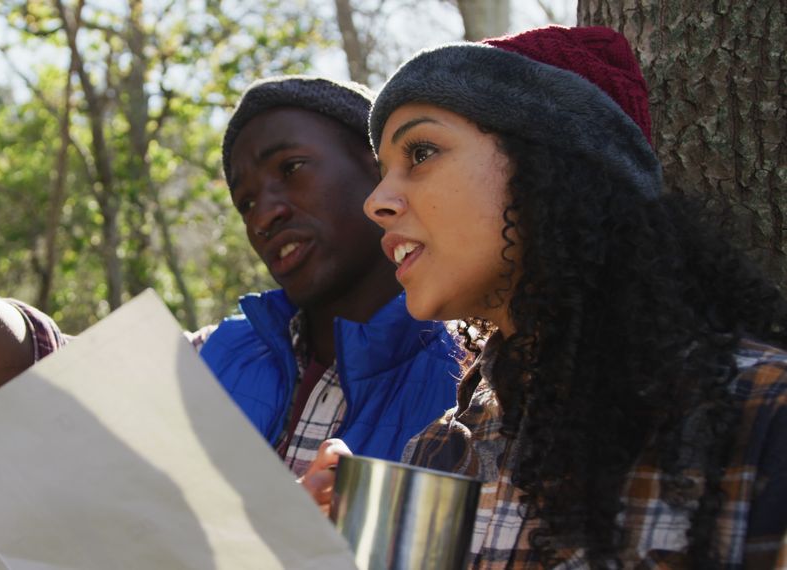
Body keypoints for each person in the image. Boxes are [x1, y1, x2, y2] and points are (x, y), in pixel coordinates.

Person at [0, 76, 460, 475]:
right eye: (244, 199)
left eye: (289, 170)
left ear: (379, 170)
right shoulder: (222, 358)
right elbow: (39, 377)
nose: (264, 212)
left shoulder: (481, 375)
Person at [302, 26, 787, 567]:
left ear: (554, 168)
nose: (376, 202)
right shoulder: (442, 448)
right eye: (382, 172)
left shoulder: (761, 417)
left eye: (420, 152)